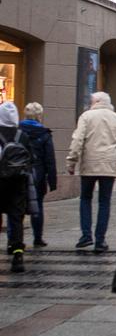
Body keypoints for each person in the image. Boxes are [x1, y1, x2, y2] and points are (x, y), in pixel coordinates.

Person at [66, 91, 116, 253]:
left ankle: (86, 236)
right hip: (108, 167)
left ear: (96, 101)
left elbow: (77, 140)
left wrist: (71, 162)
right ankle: (100, 240)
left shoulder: (86, 117)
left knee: (85, 199)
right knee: (104, 202)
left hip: (88, 167)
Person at [0, 102, 35, 272]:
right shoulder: (22, 135)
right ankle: (18, 255)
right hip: (18, 182)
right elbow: (31, 159)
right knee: (16, 218)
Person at [18, 103, 55, 249]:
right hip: (37, 174)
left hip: (20, 171)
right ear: (39, 115)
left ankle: (14, 239)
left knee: (17, 206)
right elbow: (49, 159)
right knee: (37, 205)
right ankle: (37, 238)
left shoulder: (17, 131)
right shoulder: (44, 134)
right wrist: (52, 181)